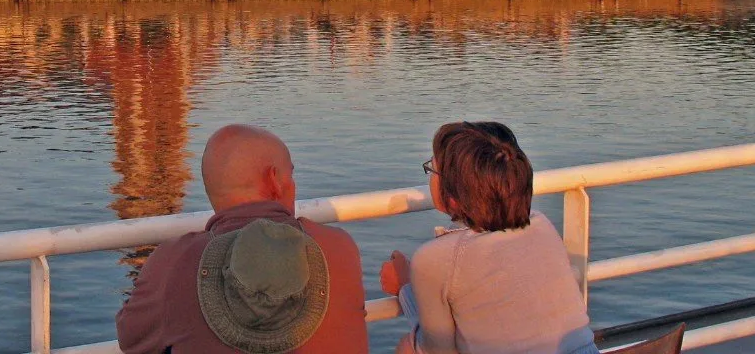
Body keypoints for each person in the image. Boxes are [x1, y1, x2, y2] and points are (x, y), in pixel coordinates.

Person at [116, 124, 369, 354]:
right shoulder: (338, 248)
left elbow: (130, 338)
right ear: (274, 181)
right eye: (290, 175)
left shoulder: (172, 262)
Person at [380, 122, 598, 354]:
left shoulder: (435, 259)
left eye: (432, 169)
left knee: (407, 348)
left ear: (454, 197)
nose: (430, 178)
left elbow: (436, 350)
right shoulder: (541, 224)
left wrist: (406, 289)